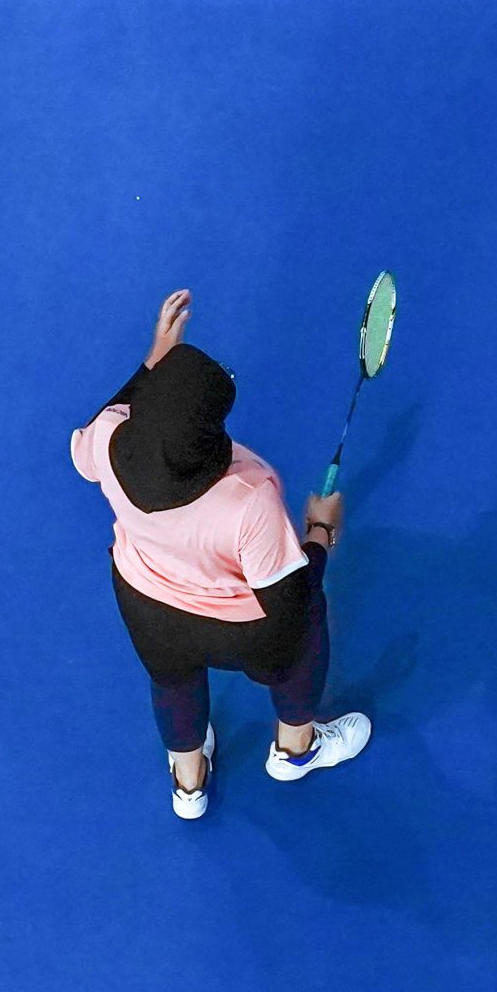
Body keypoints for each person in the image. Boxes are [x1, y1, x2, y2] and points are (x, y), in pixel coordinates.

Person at [71, 288, 370, 819]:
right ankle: (295, 751)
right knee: (308, 624)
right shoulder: (246, 499)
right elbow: (289, 607)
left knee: (173, 679)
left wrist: (154, 362)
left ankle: (189, 784)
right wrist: (321, 533)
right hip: (242, 630)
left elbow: (110, 420)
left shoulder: (106, 441)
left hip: (147, 609)